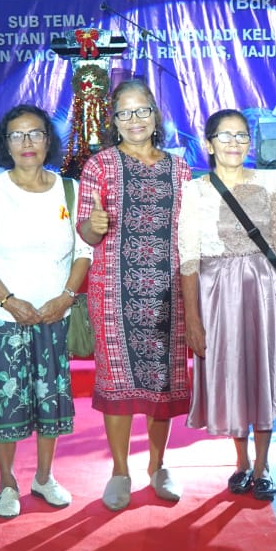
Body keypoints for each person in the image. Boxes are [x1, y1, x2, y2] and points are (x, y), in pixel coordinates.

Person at [0, 105, 92, 518]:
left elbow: (84, 250)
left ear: (48, 140)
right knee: (5, 403)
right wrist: (9, 301)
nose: (27, 143)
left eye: (35, 133)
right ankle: (7, 483)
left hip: (54, 316)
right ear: (5, 144)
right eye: (17, 135)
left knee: (49, 399)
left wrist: (66, 297)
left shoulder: (69, 190)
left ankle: (44, 477)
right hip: (0, 318)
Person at [179, 109, 276, 501]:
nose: (234, 143)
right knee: (233, 376)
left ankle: (262, 465)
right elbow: (188, 259)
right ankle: (240, 461)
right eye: (225, 135)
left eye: (241, 136)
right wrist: (192, 319)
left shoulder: (266, 186)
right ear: (209, 144)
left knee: (263, 375)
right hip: (218, 296)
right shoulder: (194, 192)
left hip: (265, 293)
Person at [76, 79, 191, 511]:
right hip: (113, 293)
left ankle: (158, 467)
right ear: (114, 120)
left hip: (167, 292)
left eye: (142, 110)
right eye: (124, 113)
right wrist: (94, 227)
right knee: (118, 384)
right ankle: (120, 471)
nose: (134, 120)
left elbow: (189, 230)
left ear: (155, 116)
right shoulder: (99, 166)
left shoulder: (179, 168)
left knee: (162, 384)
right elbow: (85, 230)